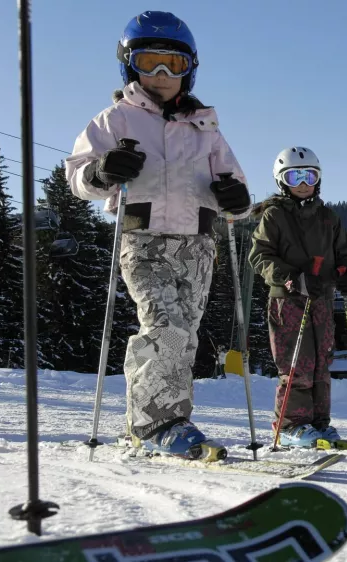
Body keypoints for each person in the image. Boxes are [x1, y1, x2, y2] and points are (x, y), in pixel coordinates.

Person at [66, 12, 249, 461]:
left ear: (190, 68)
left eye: (174, 63)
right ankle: (153, 422)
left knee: (185, 334)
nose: (163, 75)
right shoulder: (117, 120)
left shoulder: (205, 128)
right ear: (130, 66)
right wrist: (102, 171)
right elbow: (78, 179)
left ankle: (173, 418)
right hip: (144, 239)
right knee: (164, 328)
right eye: (151, 62)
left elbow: (237, 195)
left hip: (198, 244)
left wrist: (235, 196)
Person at [249, 147, 347, 449]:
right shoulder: (274, 215)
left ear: (318, 179)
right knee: (296, 363)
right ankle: (291, 425)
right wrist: (292, 278)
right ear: (282, 180)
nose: (303, 182)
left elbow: (345, 253)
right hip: (289, 300)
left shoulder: (328, 217)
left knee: (321, 363)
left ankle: (319, 424)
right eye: (295, 176)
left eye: (309, 175)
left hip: (322, 299)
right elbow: (260, 256)